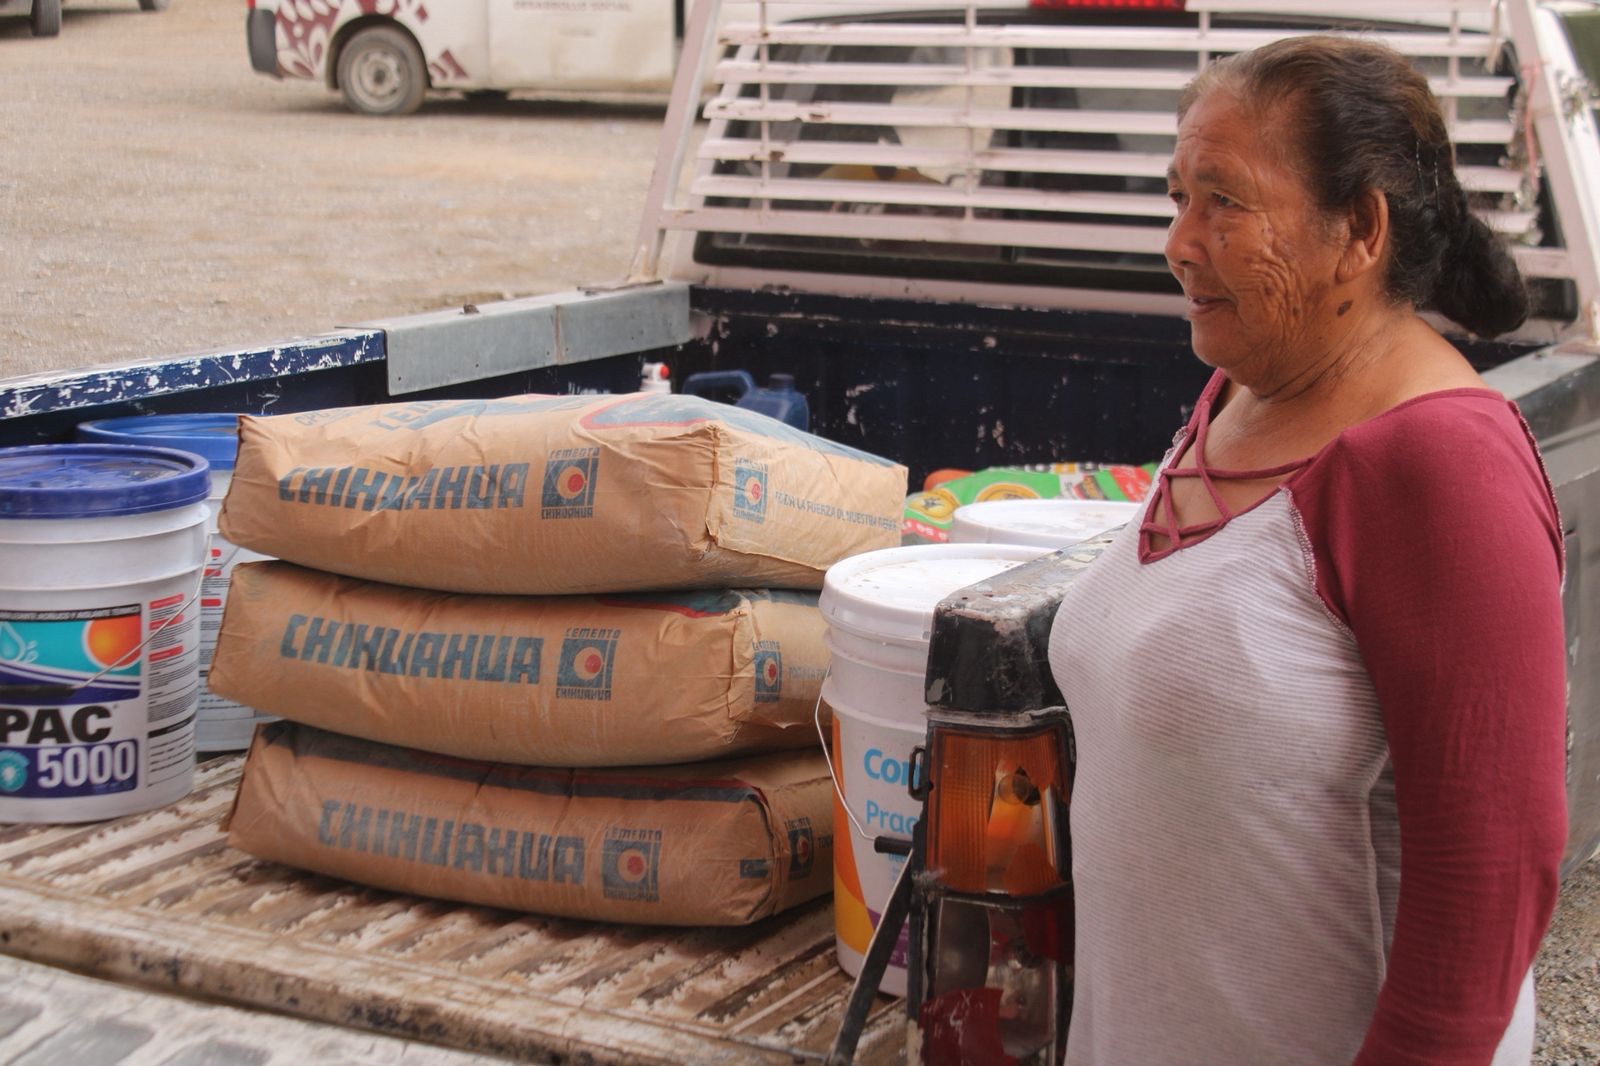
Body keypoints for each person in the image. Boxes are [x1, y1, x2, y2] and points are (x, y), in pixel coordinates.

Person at [1047, 35, 1568, 1065]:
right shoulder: (1242, 389)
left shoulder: (1442, 463)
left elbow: (1492, 877)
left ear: (1359, 229)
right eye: (1177, 197)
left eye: (1224, 202)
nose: (1179, 242)